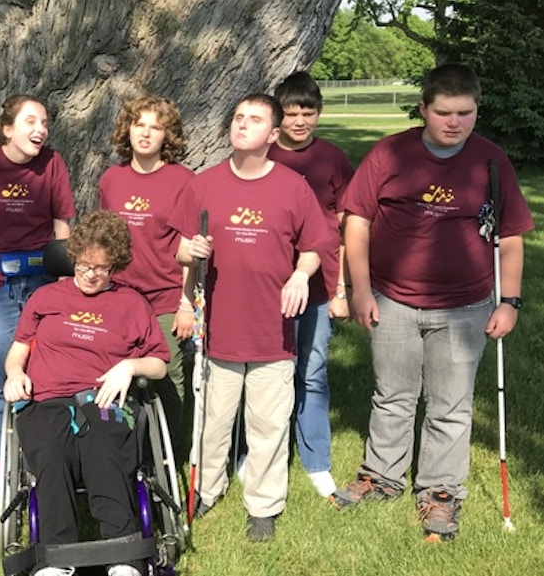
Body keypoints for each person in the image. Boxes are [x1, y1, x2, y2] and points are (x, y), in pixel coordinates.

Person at [330, 63, 534, 542]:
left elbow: (511, 235)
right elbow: (356, 221)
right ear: (423, 108)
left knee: (450, 405)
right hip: (393, 299)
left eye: (465, 112)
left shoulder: (491, 160)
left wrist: (510, 302)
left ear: (477, 109)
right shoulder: (389, 153)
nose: (454, 122)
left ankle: (440, 493)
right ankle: (380, 477)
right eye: (443, 112)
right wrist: (358, 290)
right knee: (393, 395)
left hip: (465, 307)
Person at [169, 93, 333, 541]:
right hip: (218, 327)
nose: (242, 125)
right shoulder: (203, 184)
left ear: (273, 134)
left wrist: (300, 276)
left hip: (272, 330)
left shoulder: (293, 186)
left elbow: (314, 248)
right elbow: (181, 249)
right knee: (212, 420)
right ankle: (205, 488)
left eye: (254, 119)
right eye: (237, 117)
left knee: (267, 424)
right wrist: (190, 254)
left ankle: (263, 504)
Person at [4, 210, 170, 576]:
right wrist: (15, 373)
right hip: (47, 399)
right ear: (73, 257)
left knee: (105, 446)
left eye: (101, 267)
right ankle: (56, 558)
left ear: (115, 266)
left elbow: (159, 363)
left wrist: (130, 366)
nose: (90, 274)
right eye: (83, 264)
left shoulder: (132, 304)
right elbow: (18, 349)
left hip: (106, 398)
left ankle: (124, 555)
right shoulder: (45, 298)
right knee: (49, 449)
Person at [0, 94, 76, 493]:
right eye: (30, 122)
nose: (40, 129)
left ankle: (40, 452)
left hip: (42, 276)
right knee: (3, 370)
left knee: (46, 368)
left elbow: (62, 223)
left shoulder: (52, 162)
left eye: (44, 122)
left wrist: (64, 281)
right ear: (7, 128)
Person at [266, 72, 355, 498]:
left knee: (312, 372)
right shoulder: (263, 155)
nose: (300, 121)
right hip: (267, 285)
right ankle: (259, 454)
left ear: (318, 112)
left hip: (319, 286)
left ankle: (316, 459)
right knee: (266, 372)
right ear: (277, 116)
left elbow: (346, 224)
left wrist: (341, 291)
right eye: (291, 113)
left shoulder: (334, 159)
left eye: (308, 112)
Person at [98, 94, 194, 455]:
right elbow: (104, 239)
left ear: (167, 136)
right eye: (139, 124)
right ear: (128, 129)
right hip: (119, 296)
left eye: (156, 127)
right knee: (118, 373)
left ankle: (169, 454)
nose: (146, 133)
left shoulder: (182, 181)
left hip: (166, 297)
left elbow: (190, 249)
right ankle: (126, 447)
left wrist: (186, 304)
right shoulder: (112, 179)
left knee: (169, 376)